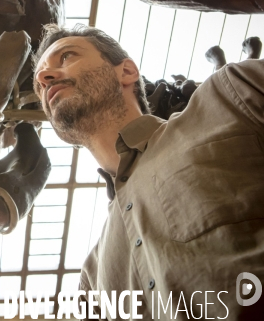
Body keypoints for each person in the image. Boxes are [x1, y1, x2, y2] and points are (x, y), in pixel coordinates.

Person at [33, 24, 264, 320]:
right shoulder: (91, 281)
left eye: (66, 57)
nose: (44, 77)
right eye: (39, 83)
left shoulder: (229, 97)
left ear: (126, 72)